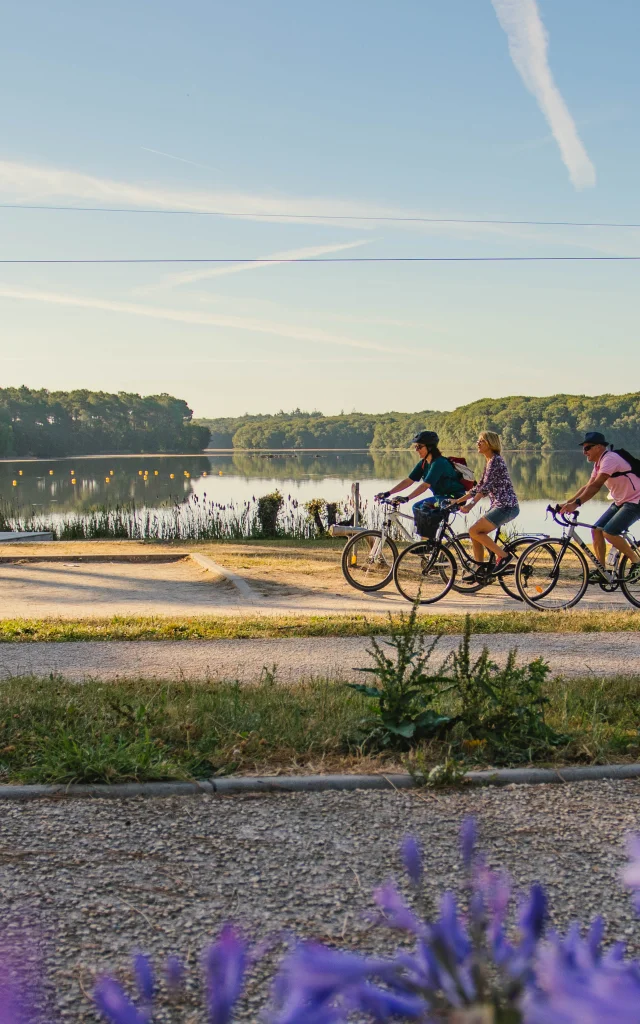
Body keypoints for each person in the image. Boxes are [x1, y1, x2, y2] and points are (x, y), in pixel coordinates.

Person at [559, 431, 640, 579]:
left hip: (636, 501)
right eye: (583, 448)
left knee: (609, 532)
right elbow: (587, 486)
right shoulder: (599, 463)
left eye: (587, 448)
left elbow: (596, 486)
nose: (584, 452)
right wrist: (567, 503)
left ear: (599, 447)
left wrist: (576, 504)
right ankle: (602, 571)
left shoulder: (609, 459)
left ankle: (636, 562)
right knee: (596, 530)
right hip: (621, 501)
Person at [453, 431, 519, 576]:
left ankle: (504, 557)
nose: (478, 443)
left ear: (490, 444)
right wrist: (458, 501)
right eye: (478, 440)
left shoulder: (496, 461)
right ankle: (480, 568)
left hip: (506, 506)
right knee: (475, 533)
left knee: (474, 531)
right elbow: (479, 487)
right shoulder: (490, 461)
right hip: (500, 506)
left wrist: (470, 505)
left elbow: (485, 488)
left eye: (481, 441)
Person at [375, 430, 466, 517]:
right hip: (441, 497)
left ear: (429, 448)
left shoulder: (439, 463)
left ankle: (427, 533)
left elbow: (425, 486)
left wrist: (407, 498)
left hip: (454, 498)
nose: (416, 450)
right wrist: (387, 493)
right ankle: (429, 533)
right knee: (419, 510)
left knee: (419, 507)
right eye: (416, 447)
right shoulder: (424, 463)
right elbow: (409, 481)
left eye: (419, 447)